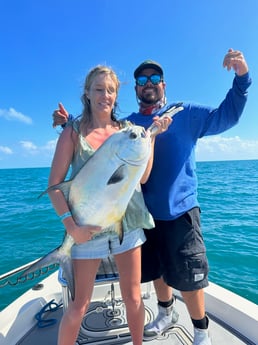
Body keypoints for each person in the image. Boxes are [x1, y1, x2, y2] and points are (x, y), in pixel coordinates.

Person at [52, 49, 251, 345]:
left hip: (178, 211)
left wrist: (242, 77)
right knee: (157, 271)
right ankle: (166, 312)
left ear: (163, 85)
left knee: (188, 275)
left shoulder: (184, 114)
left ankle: (200, 330)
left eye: (155, 78)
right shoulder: (129, 125)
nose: (149, 83)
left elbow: (228, 116)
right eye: (142, 79)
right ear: (134, 89)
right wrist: (71, 124)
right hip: (142, 216)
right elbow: (100, 146)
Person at [49, 65, 171, 345]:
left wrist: (150, 139)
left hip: (125, 226)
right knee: (80, 305)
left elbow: (142, 177)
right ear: (87, 94)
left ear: (117, 96)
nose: (106, 95)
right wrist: (72, 228)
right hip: (86, 231)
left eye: (111, 90)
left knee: (133, 296)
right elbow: (55, 186)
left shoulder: (128, 131)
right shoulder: (72, 133)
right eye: (99, 89)